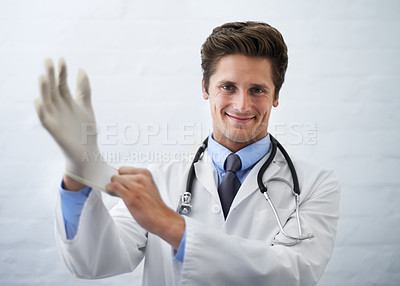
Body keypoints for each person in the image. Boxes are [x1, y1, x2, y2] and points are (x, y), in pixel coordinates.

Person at [35, 21, 340, 286]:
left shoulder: (315, 186)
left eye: (257, 90)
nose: (242, 105)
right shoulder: (159, 178)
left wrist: (169, 224)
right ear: (205, 87)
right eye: (228, 86)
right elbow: (94, 261)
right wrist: (77, 172)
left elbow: (292, 275)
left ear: (276, 96)